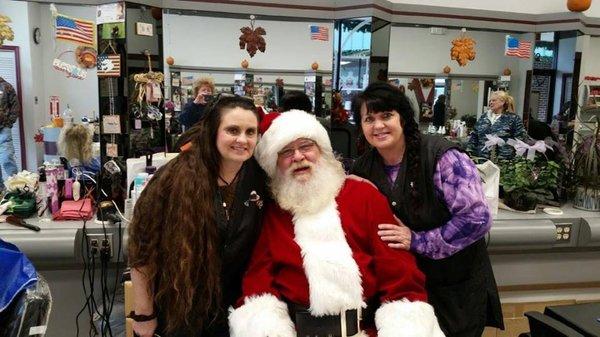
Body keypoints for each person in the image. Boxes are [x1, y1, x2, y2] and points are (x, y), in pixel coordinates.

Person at [229, 110, 444, 337]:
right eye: (286, 152)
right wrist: (270, 328)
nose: (299, 157)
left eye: (306, 146)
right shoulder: (273, 211)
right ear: (275, 163)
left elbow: (400, 274)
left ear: (322, 151)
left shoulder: (363, 197)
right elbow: (258, 280)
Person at [350, 83, 503, 337]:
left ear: (403, 117)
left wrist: (418, 240)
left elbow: (477, 218)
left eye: (386, 116)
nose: (378, 126)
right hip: (401, 295)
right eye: (369, 119)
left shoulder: (441, 156)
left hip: (453, 293)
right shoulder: (363, 168)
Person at [128, 95, 267, 337]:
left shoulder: (259, 178)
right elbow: (142, 249)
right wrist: (144, 314)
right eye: (232, 130)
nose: (242, 139)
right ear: (213, 131)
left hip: (235, 316)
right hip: (177, 313)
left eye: (250, 132)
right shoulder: (174, 177)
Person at [467, 90, 528, 160]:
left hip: (503, 162)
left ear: (502, 102)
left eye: (494, 100)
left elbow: (521, 140)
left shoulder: (513, 119)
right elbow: (474, 137)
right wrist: (469, 154)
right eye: (490, 101)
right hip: (482, 161)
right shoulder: (483, 117)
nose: (490, 103)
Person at [0, 76, 19, 191]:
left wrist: (8, 122)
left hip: (3, 129)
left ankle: (17, 188)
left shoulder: (6, 86)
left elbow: (15, 107)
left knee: (7, 158)